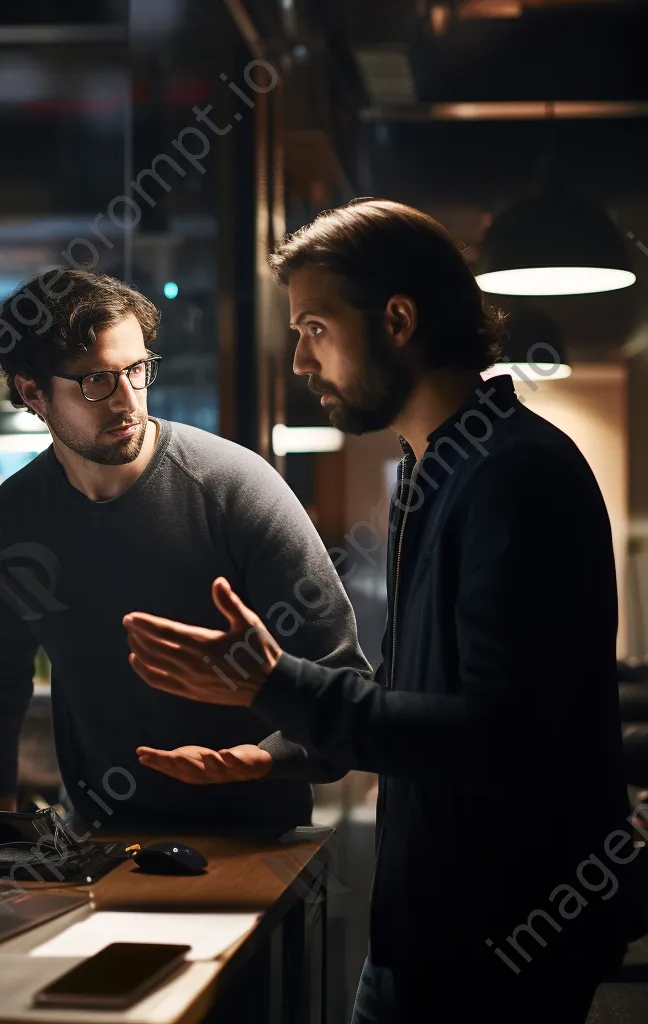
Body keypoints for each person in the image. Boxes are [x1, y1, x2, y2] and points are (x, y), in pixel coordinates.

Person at [122, 199, 648, 1022]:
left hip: (501, 943)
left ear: (398, 320)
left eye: (316, 328)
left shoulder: (516, 478)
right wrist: (278, 755)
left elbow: (494, 736)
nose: (299, 359)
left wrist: (275, 680)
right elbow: (415, 701)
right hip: (436, 931)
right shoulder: (436, 471)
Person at [0, 268, 371, 831]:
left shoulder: (235, 487)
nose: (128, 399)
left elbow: (344, 677)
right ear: (32, 392)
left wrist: (266, 758)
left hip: (256, 835)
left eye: (136, 369)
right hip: (98, 840)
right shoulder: (14, 515)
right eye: (96, 381)